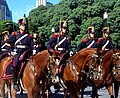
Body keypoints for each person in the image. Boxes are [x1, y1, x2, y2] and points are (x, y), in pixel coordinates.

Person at [6, 15, 34, 91]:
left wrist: (33, 50)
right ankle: (15, 82)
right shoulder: (15, 35)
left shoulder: (29, 36)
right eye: (22, 25)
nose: (24, 26)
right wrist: (11, 51)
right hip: (18, 53)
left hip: (27, 52)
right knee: (16, 64)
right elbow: (7, 43)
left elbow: (32, 45)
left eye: (25, 25)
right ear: (19, 26)